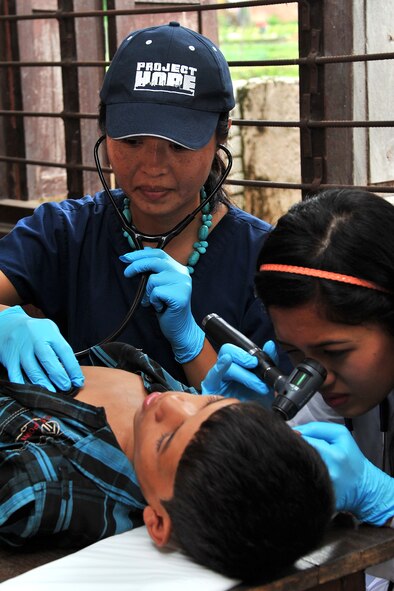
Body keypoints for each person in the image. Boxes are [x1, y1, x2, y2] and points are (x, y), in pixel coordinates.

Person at [0, 21, 276, 393]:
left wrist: (192, 343)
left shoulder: (262, 262)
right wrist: (8, 324)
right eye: (131, 141)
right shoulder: (63, 233)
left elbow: (263, 425)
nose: (152, 167)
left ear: (222, 132)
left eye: (178, 146)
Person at [0, 342, 334, 584]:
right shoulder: (161, 390)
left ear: (158, 522)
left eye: (166, 440)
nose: (173, 402)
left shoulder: (42, 488)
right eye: (211, 402)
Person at [203, 188, 394, 580]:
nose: (318, 377)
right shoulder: (323, 389)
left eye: (336, 351)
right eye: (294, 352)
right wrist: (242, 433)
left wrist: (387, 502)